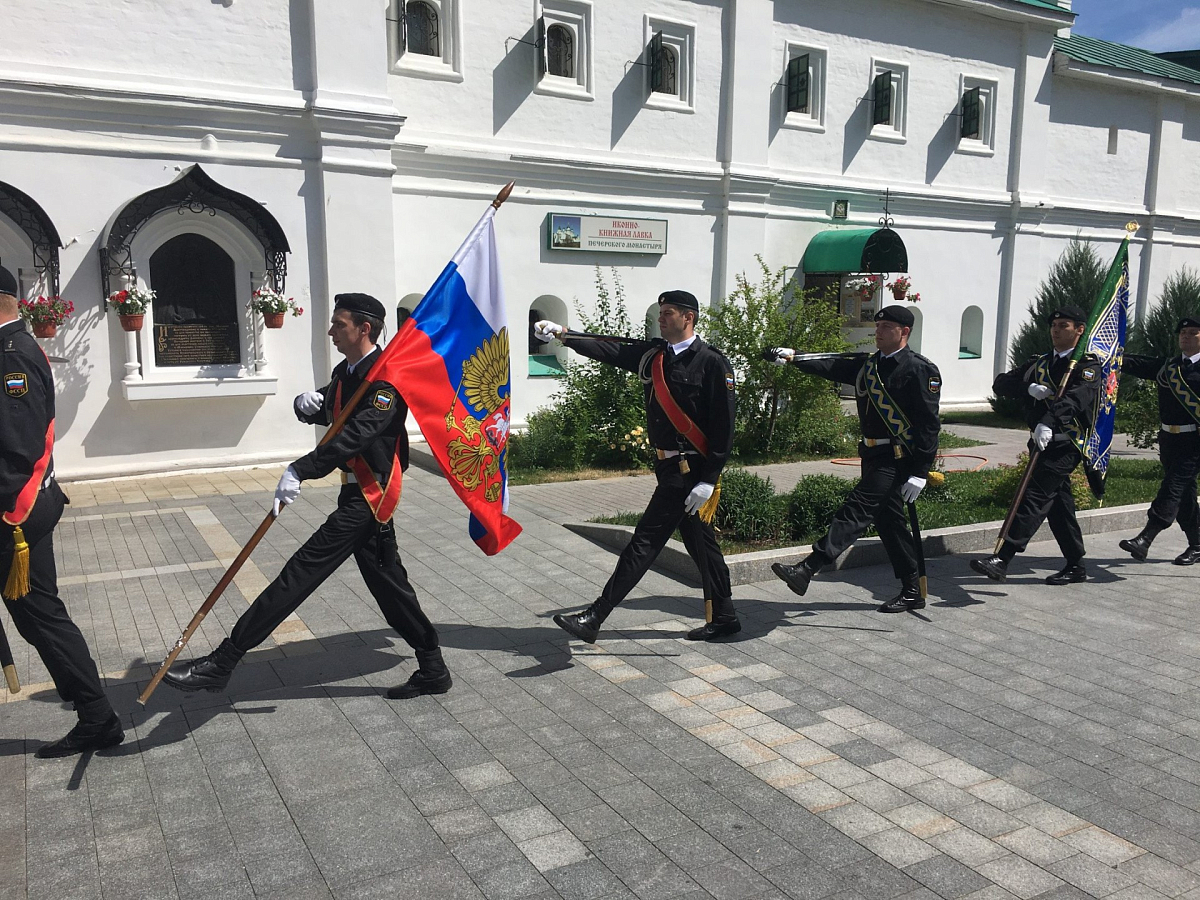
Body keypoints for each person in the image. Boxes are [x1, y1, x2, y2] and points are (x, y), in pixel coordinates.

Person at [164, 293, 450, 699]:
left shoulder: (386, 381)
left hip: (370, 497)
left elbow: (355, 435)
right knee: (389, 586)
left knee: (298, 574)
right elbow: (331, 406)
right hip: (354, 494)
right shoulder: (347, 371)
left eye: (339, 324)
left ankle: (223, 662)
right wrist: (307, 404)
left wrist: (302, 469)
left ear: (364, 329)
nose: (331, 331)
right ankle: (433, 667)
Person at [533, 290, 739, 643]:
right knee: (702, 545)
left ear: (688, 317)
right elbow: (610, 350)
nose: (661, 317)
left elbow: (724, 427)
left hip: (689, 472)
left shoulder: (712, 363)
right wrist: (564, 335)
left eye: (669, 312)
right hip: (668, 468)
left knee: (644, 542)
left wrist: (708, 479)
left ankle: (595, 617)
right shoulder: (654, 356)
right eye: (661, 311)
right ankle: (725, 617)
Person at [0, 268, 123, 757]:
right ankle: (90, 706)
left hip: (15, 514)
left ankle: (97, 715)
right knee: (36, 618)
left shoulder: (12, 356)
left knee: (41, 616)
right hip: (21, 510)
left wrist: (8, 514)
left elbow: (20, 449)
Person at [768, 305, 942, 613]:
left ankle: (808, 567)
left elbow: (928, 425)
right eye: (877, 326)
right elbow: (831, 365)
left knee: (857, 508)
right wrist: (794, 357)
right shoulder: (868, 365)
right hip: (871, 454)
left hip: (897, 458)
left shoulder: (920, 369)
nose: (878, 331)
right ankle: (912, 589)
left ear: (904, 332)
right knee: (889, 523)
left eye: (886, 327)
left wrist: (920, 472)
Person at [972, 305, 1101, 584]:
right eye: (1054, 326)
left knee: (1035, 495)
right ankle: (1076, 565)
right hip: (1040, 443)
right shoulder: (1039, 363)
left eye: (1064, 326)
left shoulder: (1087, 367)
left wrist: (1049, 421)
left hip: (1066, 443)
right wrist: (1028, 387)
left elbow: (1074, 400)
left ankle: (1003, 558)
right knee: (1059, 506)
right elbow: (1001, 385)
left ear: (1080, 330)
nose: (1056, 330)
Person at [1117, 316, 1200, 565]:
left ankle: (1145, 538)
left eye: (1193, 332)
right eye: (1183, 332)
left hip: (1195, 441)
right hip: (1169, 439)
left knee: (1173, 487)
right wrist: (1111, 357)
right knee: (1184, 494)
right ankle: (1197, 545)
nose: (1186, 336)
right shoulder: (1169, 367)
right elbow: (1140, 364)